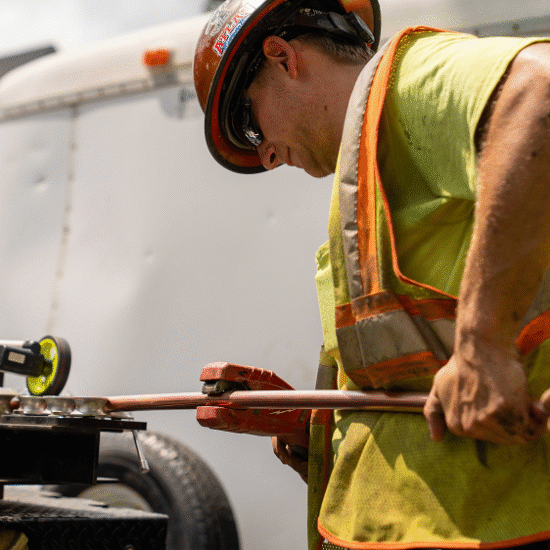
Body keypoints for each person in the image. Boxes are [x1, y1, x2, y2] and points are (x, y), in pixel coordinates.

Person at [193, 1, 550, 549]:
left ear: (282, 56)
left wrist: (484, 348)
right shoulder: (362, 185)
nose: (263, 155)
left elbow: (539, 92)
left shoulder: (405, 84)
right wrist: (328, 431)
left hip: (503, 524)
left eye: (247, 120)